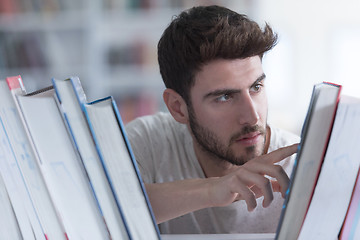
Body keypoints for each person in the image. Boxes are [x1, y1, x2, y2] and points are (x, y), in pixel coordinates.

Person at [125, 5, 300, 234]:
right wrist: (211, 190)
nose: (252, 116)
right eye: (225, 97)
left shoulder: (299, 166)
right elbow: (103, 211)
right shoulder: (148, 142)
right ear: (178, 108)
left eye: (256, 87)